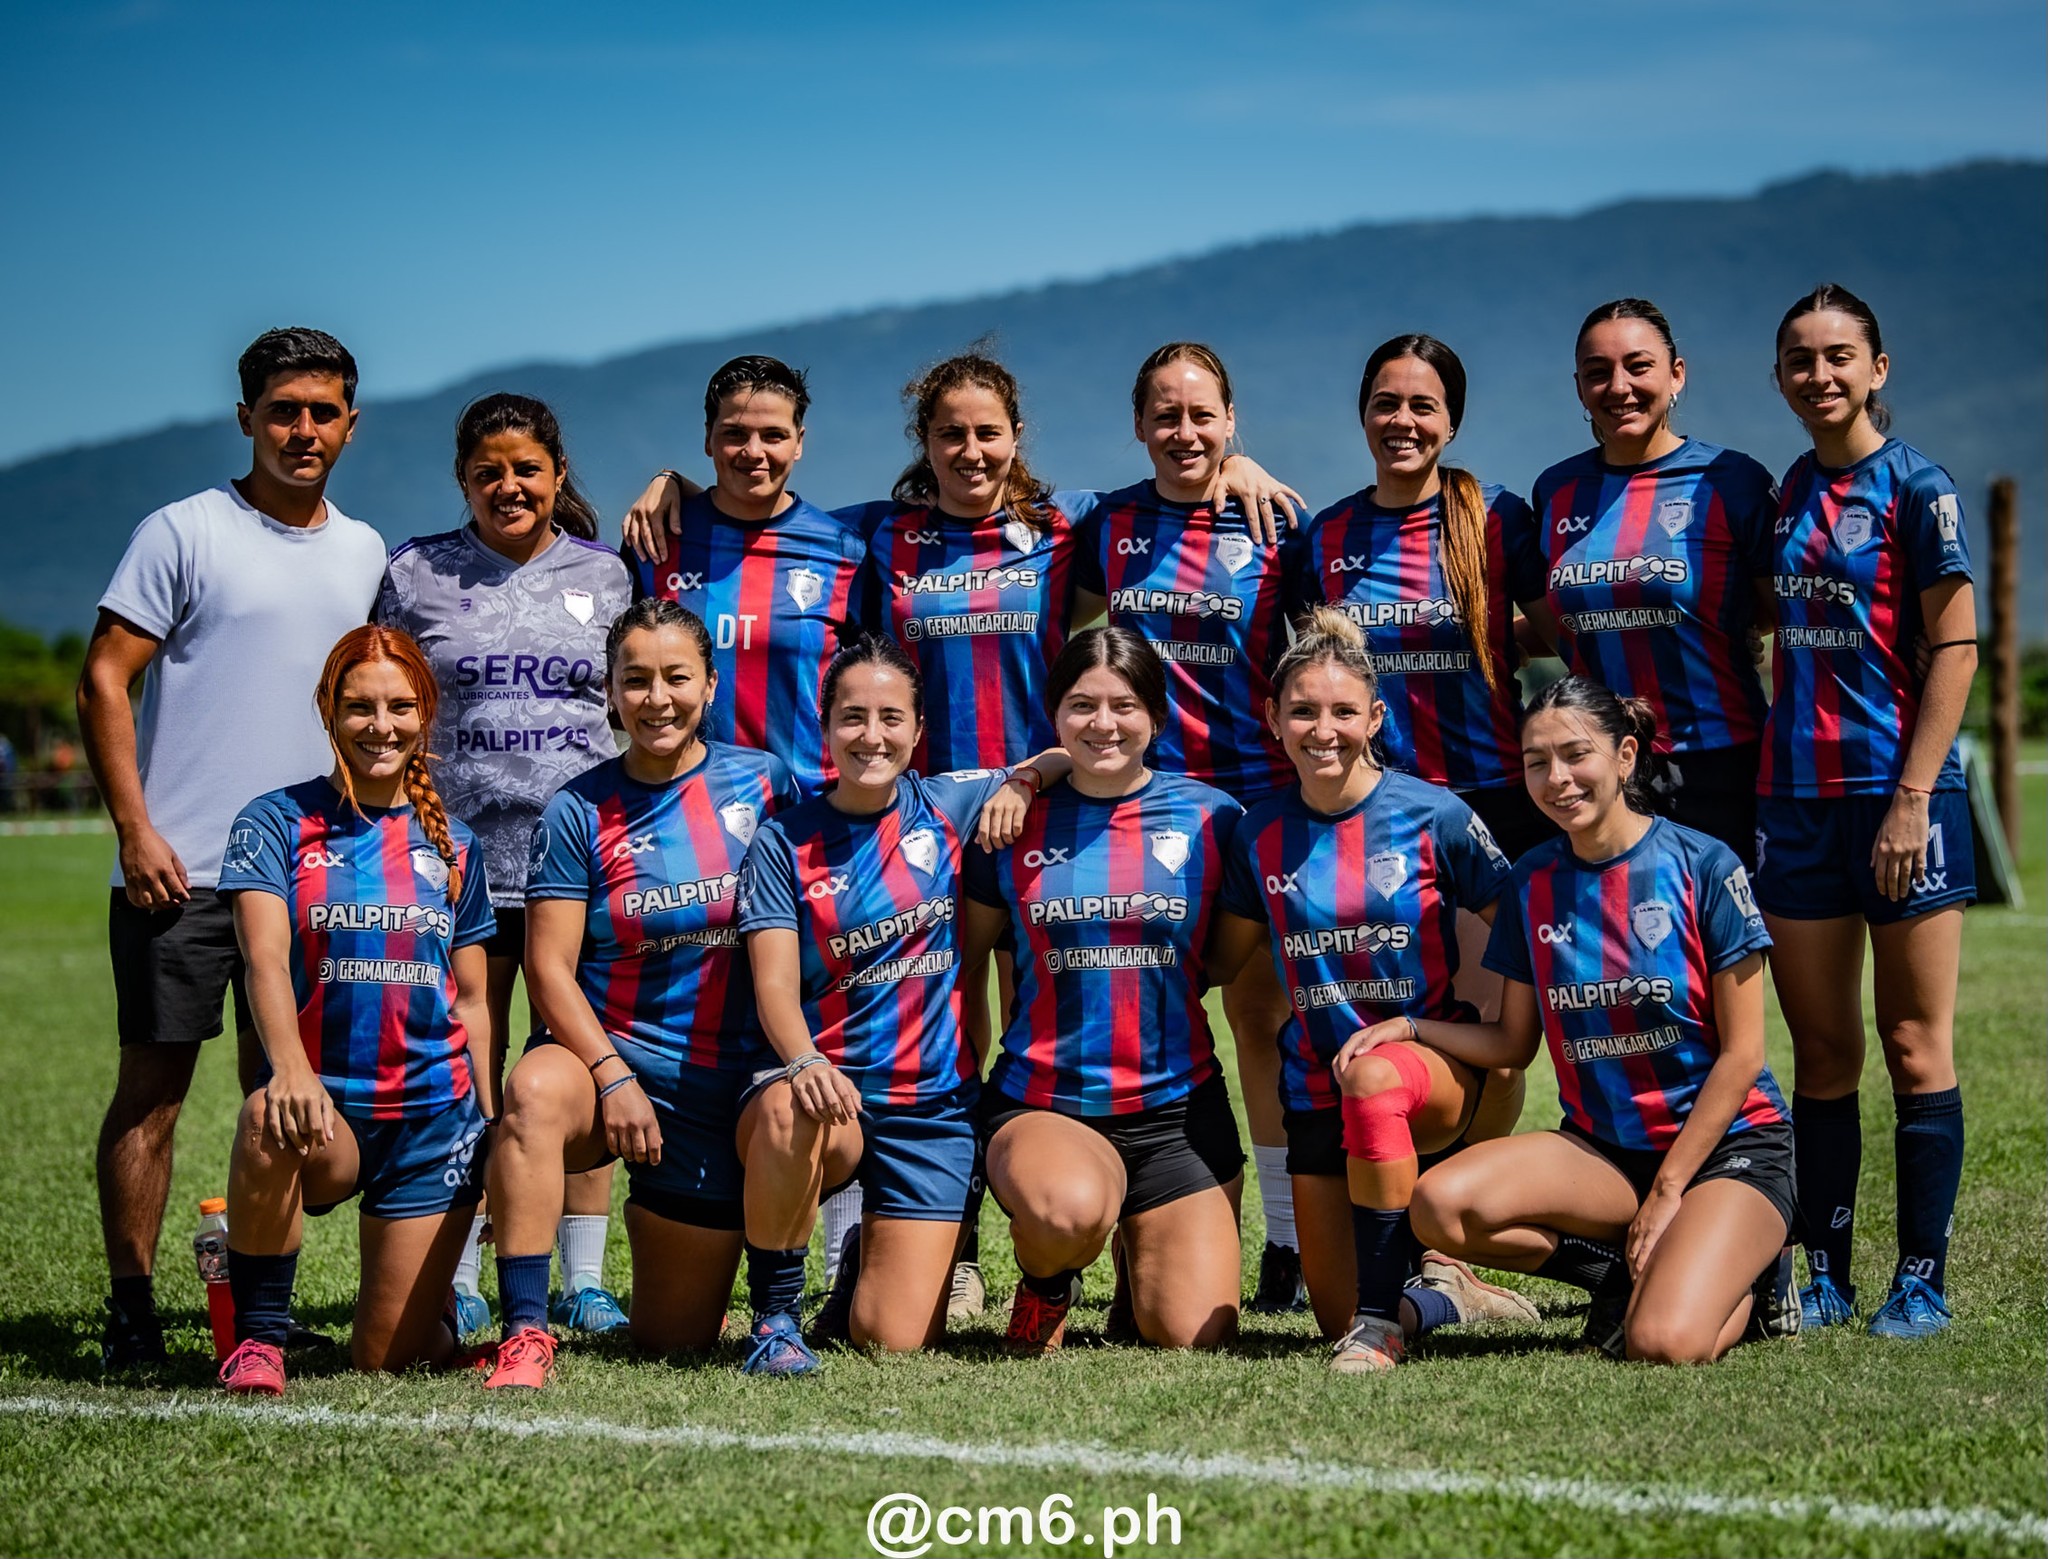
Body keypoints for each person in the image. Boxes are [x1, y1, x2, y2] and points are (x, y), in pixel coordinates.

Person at [77, 327, 388, 1369]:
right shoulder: (182, 531)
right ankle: (131, 1309)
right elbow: (103, 678)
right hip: (182, 868)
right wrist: (135, 828)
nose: (304, 429)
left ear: (351, 421)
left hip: (305, 878)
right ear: (246, 415)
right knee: (153, 1095)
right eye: (284, 408)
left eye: (324, 411)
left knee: (283, 1097)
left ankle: (263, 1304)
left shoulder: (364, 550)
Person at [1409, 676, 1796, 1363]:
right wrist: (1411, 1029)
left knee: (1663, 1341)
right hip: (1606, 1151)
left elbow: (1742, 1056)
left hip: (1726, 1148)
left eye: (1575, 754)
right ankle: (1618, 1277)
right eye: (1536, 761)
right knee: (1439, 1204)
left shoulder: (1705, 865)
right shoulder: (1530, 881)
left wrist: (1671, 1188)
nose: (1556, 778)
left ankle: (1756, 1269)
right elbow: (1511, 1042)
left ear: (1624, 756)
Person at [477, 600, 793, 1389]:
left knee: (672, 1340)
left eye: (676, 677)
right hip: (607, 1063)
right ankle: (524, 1328)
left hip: (722, 1087)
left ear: (710, 685)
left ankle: (774, 1303)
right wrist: (613, 1074)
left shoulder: (766, 783)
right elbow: (549, 969)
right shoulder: (578, 808)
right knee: (533, 1091)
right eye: (637, 680)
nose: (658, 698)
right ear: (611, 696)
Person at [1211, 608, 1538, 1371]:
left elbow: (1521, 917)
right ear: (1272, 717)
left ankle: (1380, 1324)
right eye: (1302, 711)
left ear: (1375, 717)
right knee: (1335, 1311)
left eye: (1342, 712)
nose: (1322, 729)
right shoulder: (1257, 834)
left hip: (1426, 1077)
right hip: (1316, 1089)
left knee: (1372, 1078)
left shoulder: (1436, 813)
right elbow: (1218, 962)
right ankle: (1442, 1295)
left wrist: (1498, 1040)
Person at [375, 393, 635, 1339]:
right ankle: (466, 1263)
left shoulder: (608, 576)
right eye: (489, 471)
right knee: (469, 1070)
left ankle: (587, 1275)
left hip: (582, 866)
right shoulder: (415, 572)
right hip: (454, 869)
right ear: (463, 480)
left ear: (558, 475)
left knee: (574, 1063)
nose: (508, 485)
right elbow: (382, 700)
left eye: (527, 468)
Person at [732, 635, 1056, 1371]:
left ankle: (855, 1273)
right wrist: (804, 1060)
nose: (871, 735)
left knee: (896, 1338)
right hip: (825, 1090)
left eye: (889, 718)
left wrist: (1024, 782)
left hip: (930, 1106)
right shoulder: (785, 839)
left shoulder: (948, 803)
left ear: (917, 731)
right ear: (825, 728)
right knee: (791, 1106)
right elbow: (775, 985)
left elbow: (1063, 754)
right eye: (851, 717)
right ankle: (776, 1318)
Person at [1757, 284, 1977, 1338]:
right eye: (1798, 359)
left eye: (1837, 355)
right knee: (1821, 1047)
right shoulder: (1785, 491)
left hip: (1902, 800)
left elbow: (1956, 647)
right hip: (1794, 800)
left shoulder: (1915, 486)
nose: (1818, 374)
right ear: (1778, 378)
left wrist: (1910, 798)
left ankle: (1920, 1278)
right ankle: (1825, 1270)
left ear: (1876, 367)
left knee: (1910, 1039)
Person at [1080, 342, 1311, 1311]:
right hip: (1140, 812)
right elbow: (1083, 654)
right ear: (1138, 425)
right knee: (1142, 1016)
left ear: (1231, 420)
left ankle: (1291, 1243)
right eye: (1165, 415)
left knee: (1263, 1021)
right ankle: (1143, 1223)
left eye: (1202, 415)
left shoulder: (1275, 523)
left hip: (1253, 811)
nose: (1184, 432)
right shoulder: (1106, 527)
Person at [212, 626, 495, 1395]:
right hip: (324, 1108)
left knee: (383, 1359)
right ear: (329, 712)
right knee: (267, 1116)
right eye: (359, 706)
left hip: (431, 1118)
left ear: (425, 714)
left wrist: (489, 1121)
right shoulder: (274, 821)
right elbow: (262, 957)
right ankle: (259, 1338)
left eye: (400, 706)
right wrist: (291, 1071)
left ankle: (437, 1306)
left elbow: (471, 998)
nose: (382, 725)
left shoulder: (455, 843)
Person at [964, 627, 1246, 1353]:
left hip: (1177, 1111)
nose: (1103, 723)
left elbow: (1226, 958)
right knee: (1067, 1213)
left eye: (1124, 705)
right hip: (1047, 1101)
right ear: (1054, 714)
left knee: (1194, 1334)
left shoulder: (1214, 818)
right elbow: (963, 964)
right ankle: (1047, 1281)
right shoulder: (1009, 821)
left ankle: (1137, 1258)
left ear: (1156, 714)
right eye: (1081, 705)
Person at [1510, 299, 1777, 867]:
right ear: (1579, 387)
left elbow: (1775, 606)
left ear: (1676, 375)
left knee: (1725, 947)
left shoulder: (1732, 480)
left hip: (1720, 760)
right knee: (1618, 948)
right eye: (1598, 372)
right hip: (1599, 767)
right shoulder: (1556, 490)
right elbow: (1565, 620)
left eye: (1639, 366)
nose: (1619, 386)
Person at [1292, 334, 1552, 861]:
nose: (1402, 421)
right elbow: (1317, 671)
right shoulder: (1328, 533)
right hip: (1375, 803)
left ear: (1451, 422)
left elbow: (1570, 638)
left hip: (1496, 797)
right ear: (1363, 415)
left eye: (1423, 406)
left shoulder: (1496, 518)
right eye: (1385, 404)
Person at [622, 356, 869, 799]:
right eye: (735, 434)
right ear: (707, 439)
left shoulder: (842, 551)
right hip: (679, 815)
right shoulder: (656, 540)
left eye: (773, 435)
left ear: (799, 442)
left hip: (805, 816)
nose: (753, 452)